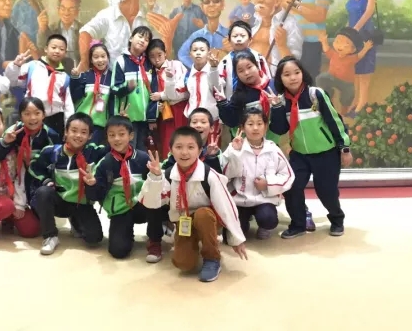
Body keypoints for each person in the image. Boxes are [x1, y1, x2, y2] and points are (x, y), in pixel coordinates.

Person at [140, 126, 247, 282]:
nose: (184, 152)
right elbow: (151, 203)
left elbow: (227, 207)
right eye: (179, 147)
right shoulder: (168, 175)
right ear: (171, 150)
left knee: (203, 214)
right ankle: (194, 244)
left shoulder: (209, 175)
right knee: (183, 264)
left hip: (209, 220)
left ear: (199, 150)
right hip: (184, 221)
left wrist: (236, 239)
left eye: (190, 147)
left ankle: (212, 258)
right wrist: (155, 178)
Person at [268, 58, 353, 238]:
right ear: (280, 79)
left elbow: (335, 121)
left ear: (303, 74)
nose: (293, 78)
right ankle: (298, 224)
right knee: (291, 187)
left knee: (326, 191)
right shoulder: (281, 101)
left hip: (326, 153)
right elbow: (279, 129)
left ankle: (337, 219)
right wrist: (276, 108)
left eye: (296, 72)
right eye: (287, 74)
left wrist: (344, 148)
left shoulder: (316, 94)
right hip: (299, 155)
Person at [85, 116, 168, 262]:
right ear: (107, 137)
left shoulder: (143, 158)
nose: (116, 139)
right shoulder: (105, 163)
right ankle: (126, 232)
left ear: (131, 136)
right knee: (118, 251)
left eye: (121, 134)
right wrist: (92, 185)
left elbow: (158, 187)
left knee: (155, 202)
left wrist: (157, 175)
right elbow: (95, 196)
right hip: (120, 209)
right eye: (112, 135)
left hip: (143, 205)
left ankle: (155, 241)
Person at [28, 113, 108, 255]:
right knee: (43, 192)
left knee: (94, 239)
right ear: (66, 132)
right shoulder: (52, 152)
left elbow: (114, 147)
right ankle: (50, 236)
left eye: (83, 132)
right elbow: (34, 167)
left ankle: (76, 221)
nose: (78, 136)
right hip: (59, 201)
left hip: (81, 203)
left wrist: (120, 123)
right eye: (74, 130)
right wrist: (46, 180)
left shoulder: (93, 152)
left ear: (90, 136)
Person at [222, 109, 294, 242]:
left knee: (268, 218)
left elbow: (288, 175)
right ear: (242, 128)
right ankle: (243, 222)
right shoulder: (234, 148)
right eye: (250, 124)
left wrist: (268, 184)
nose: (255, 128)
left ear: (265, 127)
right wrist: (235, 153)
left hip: (264, 200)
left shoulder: (272, 149)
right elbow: (225, 175)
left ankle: (265, 226)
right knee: (232, 238)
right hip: (240, 199)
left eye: (259, 124)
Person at [0, 109, 40, 240]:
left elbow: (19, 175)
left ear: (4, 124)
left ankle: (8, 219)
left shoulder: (13, 145)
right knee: (5, 206)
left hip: (11, 195)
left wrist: (19, 204)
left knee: (31, 229)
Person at [0, 97, 61, 210]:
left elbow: (59, 162)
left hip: (40, 177)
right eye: (27, 114)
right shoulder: (14, 131)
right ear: (21, 116)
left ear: (43, 115)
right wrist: (6, 141)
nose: (32, 118)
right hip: (16, 176)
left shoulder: (51, 135)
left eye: (37, 113)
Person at [5, 34, 74, 136]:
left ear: (65, 53)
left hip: (55, 119)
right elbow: (12, 81)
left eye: (61, 49)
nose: (57, 51)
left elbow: (68, 105)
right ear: (46, 49)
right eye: (54, 47)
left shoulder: (65, 77)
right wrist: (15, 66)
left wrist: (69, 127)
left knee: (53, 145)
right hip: (32, 116)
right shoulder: (32, 66)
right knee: (30, 143)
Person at [346, 0, 383, 116]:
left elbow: (368, 13)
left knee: (365, 72)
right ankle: (356, 101)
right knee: (355, 71)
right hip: (352, 36)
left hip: (365, 34)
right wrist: (347, 32)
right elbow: (350, 14)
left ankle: (362, 104)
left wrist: (355, 29)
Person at [70, 43, 128, 144]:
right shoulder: (85, 76)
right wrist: (75, 79)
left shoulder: (113, 78)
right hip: (81, 122)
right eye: (96, 57)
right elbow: (75, 96)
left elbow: (114, 102)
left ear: (108, 58)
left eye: (103, 56)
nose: (100, 60)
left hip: (100, 125)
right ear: (91, 60)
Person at [164, 37, 221, 141]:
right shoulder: (187, 75)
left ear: (209, 53)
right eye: (195, 50)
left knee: (212, 148)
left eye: (202, 50)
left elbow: (218, 88)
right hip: (192, 121)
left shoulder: (216, 71)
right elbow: (173, 95)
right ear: (190, 54)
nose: (198, 53)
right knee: (193, 146)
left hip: (212, 120)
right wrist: (169, 79)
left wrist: (214, 69)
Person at [114, 26, 156, 149]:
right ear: (131, 38)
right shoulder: (121, 61)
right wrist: (127, 88)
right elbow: (114, 89)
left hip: (145, 118)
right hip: (127, 117)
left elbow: (154, 91)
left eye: (146, 40)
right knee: (128, 150)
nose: (143, 41)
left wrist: (152, 117)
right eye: (140, 36)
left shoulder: (149, 63)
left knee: (142, 152)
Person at [146, 39, 187, 157]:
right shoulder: (150, 73)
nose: (156, 59)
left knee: (182, 139)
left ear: (165, 52)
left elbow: (183, 89)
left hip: (180, 109)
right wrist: (155, 108)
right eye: (152, 56)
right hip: (163, 112)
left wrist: (162, 95)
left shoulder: (176, 65)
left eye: (159, 55)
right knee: (166, 142)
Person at [317, 28, 373, 115]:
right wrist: (324, 41)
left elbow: (359, 56)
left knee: (349, 93)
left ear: (353, 49)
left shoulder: (351, 58)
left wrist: (365, 48)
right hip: (331, 76)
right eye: (337, 42)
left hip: (346, 81)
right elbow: (326, 49)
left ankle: (344, 109)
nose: (340, 46)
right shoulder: (334, 54)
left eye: (346, 45)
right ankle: (328, 95)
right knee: (321, 79)